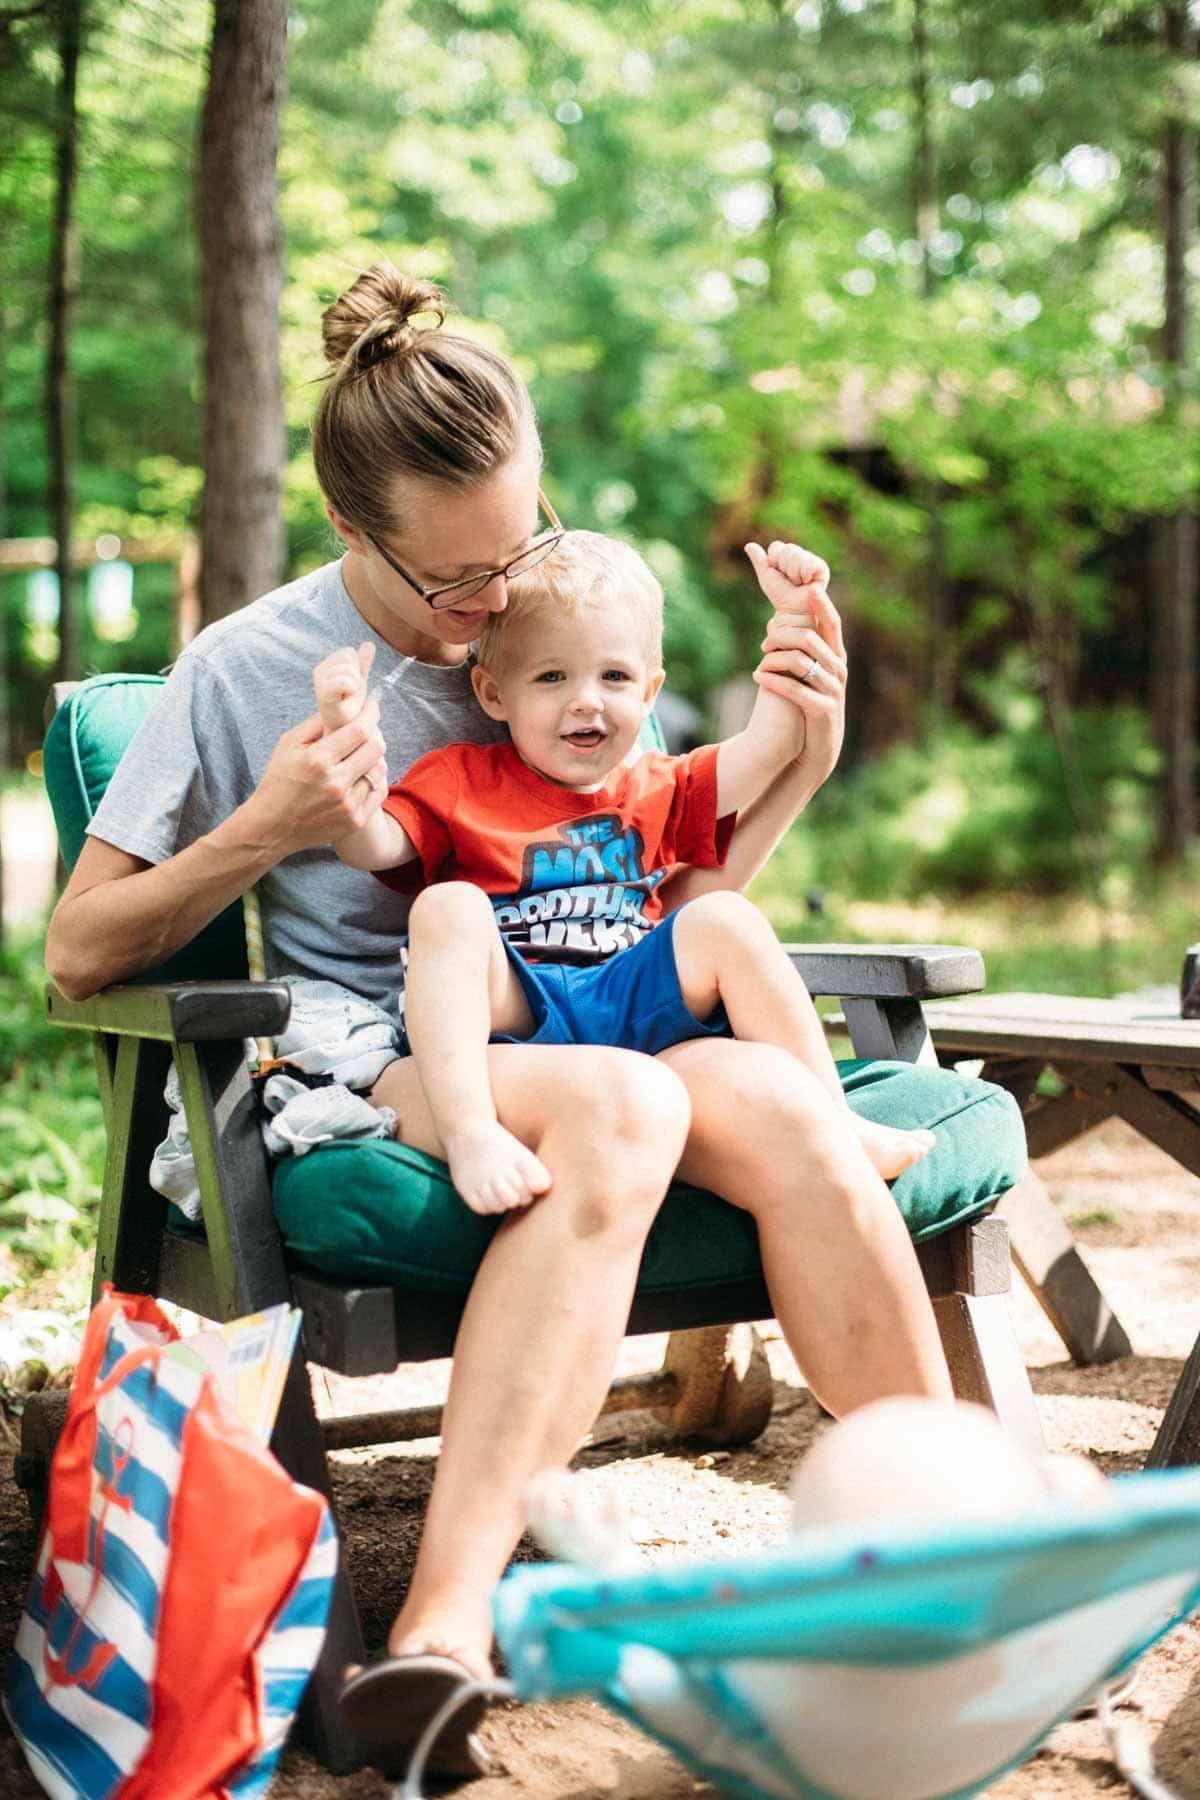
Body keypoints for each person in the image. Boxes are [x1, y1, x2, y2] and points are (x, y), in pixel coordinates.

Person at [45, 265, 956, 1782]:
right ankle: (445, 1634)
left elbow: (661, 891)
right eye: (453, 587)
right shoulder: (241, 671)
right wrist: (265, 826)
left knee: (786, 1105)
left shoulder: (566, 617)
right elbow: (78, 953)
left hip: (604, 1014)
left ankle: (954, 1552)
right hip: (397, 1052)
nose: (495, 609)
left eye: (518, 546)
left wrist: (804, 755)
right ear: (351, 535)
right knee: (620, 1106)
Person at [312, 530, 935, 1216]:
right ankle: (470, 1134)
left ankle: (831, 1117)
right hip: (518, 1006)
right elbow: (368, 846)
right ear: (493, 693)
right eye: (551, 677)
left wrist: (794, 620)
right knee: (447, 907)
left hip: (630, 988)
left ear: (650, 691)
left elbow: (772, 746)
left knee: (723, 919)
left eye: (614, 677)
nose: (587, 701)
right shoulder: (461, 779)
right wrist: (346, 758)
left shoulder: (657, 782)